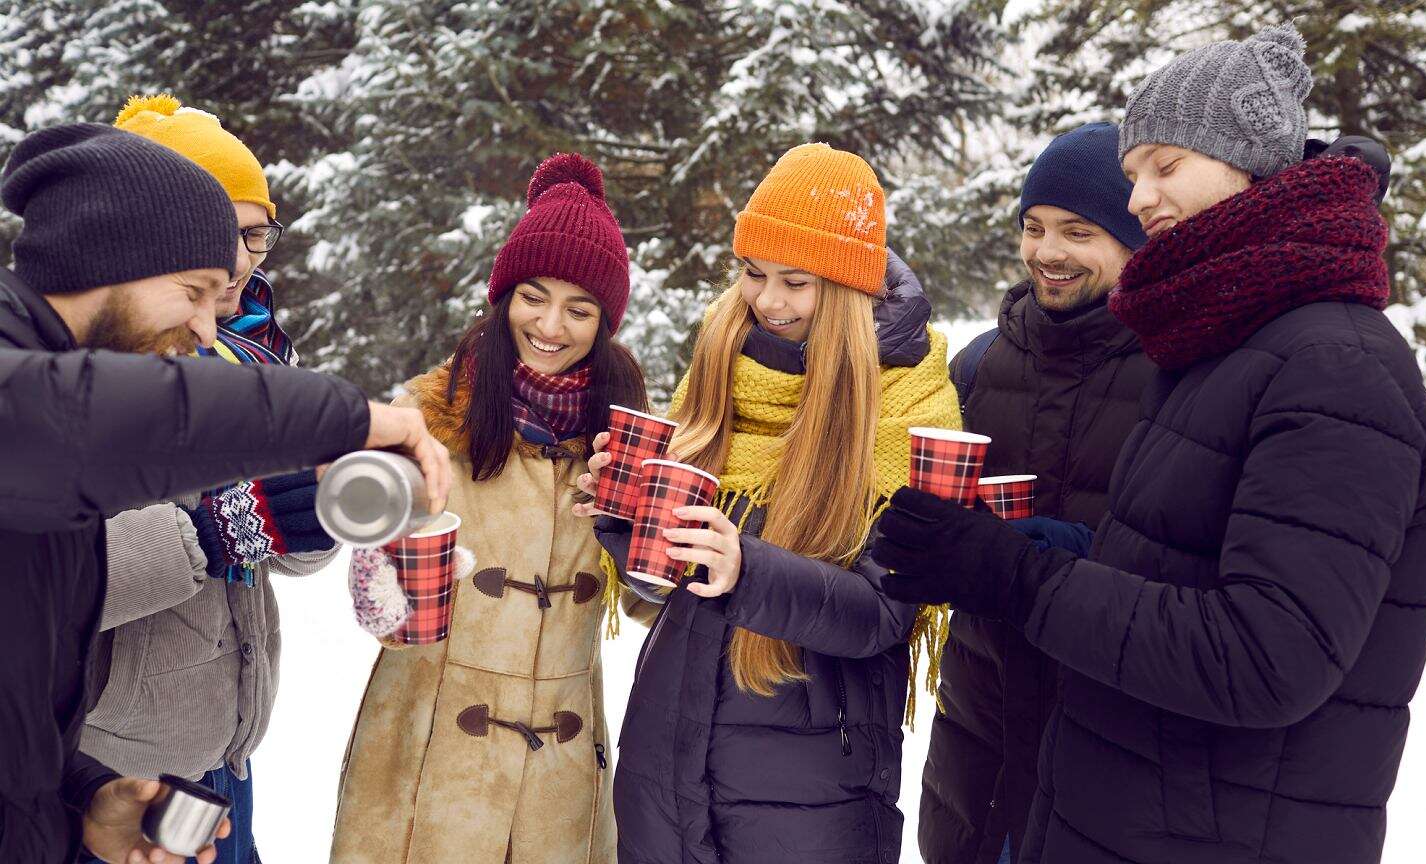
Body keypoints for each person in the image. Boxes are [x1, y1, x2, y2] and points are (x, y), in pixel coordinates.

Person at [873, 24, 1426, 864]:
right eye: (1135, 172)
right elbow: (1177, 574)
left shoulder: (1335, 366)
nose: (1140, 196)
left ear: (1252, 165)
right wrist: (1038, 551)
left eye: (1165, 166)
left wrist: (1021, 575)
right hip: (1116, 815)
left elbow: (1266, 656)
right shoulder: (1221, 348)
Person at [0, 122, 448, 864]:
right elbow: (84, 409)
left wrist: (85, 794)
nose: (208, 325)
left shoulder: (68, 451)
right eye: (193, 292)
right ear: (111, 259)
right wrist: (345, 417)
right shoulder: (28, 388)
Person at [580, 143, 960, 864]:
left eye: (797, 282)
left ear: (850, 292)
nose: (768, 301)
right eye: (754, 274)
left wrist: (746, 569)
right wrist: (626, 513)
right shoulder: (725, 367)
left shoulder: (908, 408)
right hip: (668, 765)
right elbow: (665, 585)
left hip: (812, 797)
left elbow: (884, 614)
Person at [331, 153, 648, 864]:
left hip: (560, 780)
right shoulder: (431, 417)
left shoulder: (623, 431)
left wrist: (639, 527)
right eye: (534, 296)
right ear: (504, 296)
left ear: (606, 320)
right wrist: (377, 575)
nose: (552, 325)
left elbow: (653, 604)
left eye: (580, 307)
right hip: (426, 759)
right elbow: (377, 560)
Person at [74, 95, 329, 864]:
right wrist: (205, 531)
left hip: (226, 757)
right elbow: (42, 573)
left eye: (257, 235)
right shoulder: (75, 367)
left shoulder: (256, 357)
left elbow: (273, 547)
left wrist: (319, 512)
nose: (244, 259)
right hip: (104, 774)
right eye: (223, 232)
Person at [918, 122, 1153, 864]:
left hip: (1111, 736)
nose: (1048, 252)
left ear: (1134, 240)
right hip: (980, 729)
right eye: (1035, 227)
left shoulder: (1177, 374)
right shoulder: (980, 365)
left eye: (1078, 231)